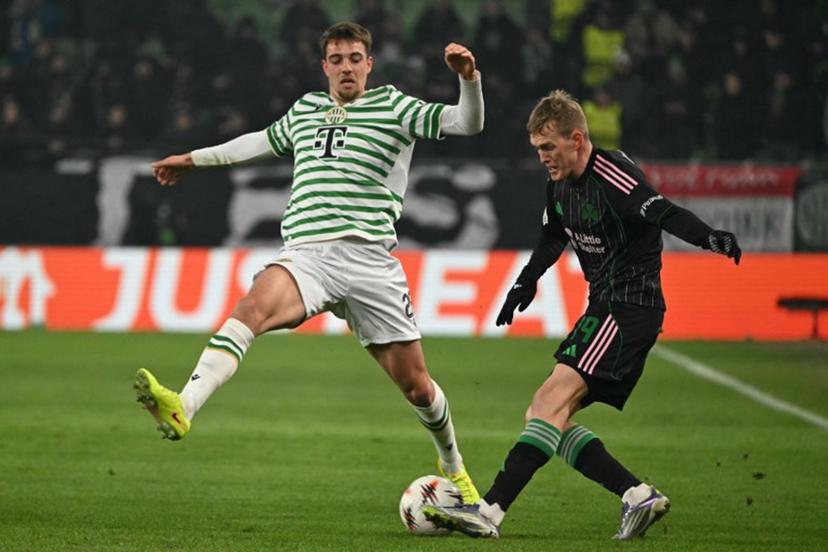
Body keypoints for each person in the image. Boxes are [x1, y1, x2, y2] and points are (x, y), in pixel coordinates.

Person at [134, 22, 485, 504]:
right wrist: (192, 159)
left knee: (418, 389)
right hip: (308, 254)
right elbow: (255, 142)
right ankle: (184, 406)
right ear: (325, 67)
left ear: (369, 64)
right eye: (337, 59)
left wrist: (468, 79)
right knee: (251, 308)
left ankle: (455, 469)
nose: (346, 67)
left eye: (355, 58)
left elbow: (467, 123)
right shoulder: (306, 110)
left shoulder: (395, 107)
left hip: (370, 262)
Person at [423, 89, 741, 539]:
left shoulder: (614, 175)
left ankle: (489, 511)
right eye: (537, 149)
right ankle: (636, 495)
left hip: (629, 305)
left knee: (549, 404)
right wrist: (526, 280)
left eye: (548, 147)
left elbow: (663, 211)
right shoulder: (559, 182)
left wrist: (710, 238)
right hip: (606, 306)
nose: (542, 158)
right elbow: (554, 235)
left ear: (576, 138)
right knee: (545, 411)